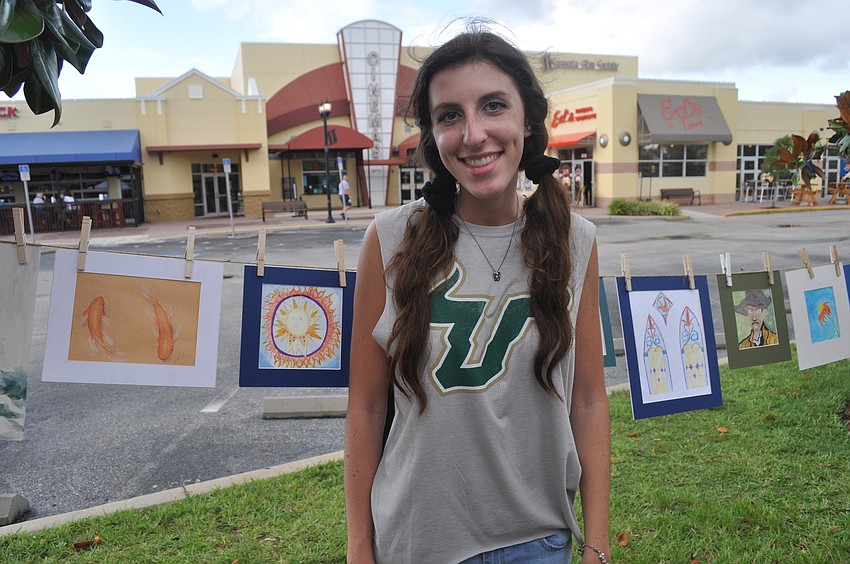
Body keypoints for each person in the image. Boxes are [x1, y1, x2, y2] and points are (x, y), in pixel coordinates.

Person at [345, 27, 610, 564]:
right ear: (432, 136)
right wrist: (358, 547)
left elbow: (587, 399)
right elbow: (368, 406)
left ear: (528, 122)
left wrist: (597, 547)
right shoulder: (390, 239)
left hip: (540, 540)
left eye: (493, 106)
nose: (473, 134)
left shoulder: (575, 241)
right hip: (419, 539)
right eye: (449, 115)